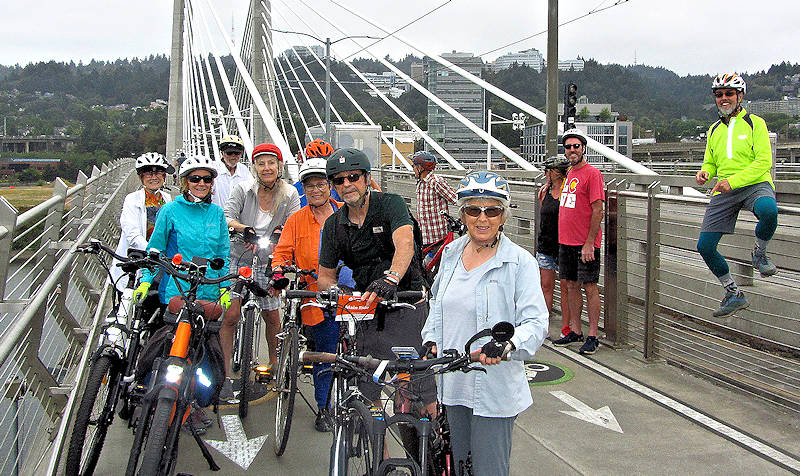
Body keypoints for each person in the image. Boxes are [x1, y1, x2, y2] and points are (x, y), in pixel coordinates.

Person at [421, 171, 549, 476]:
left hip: (494, 387)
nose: (482, 218)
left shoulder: (519, 262)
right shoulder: (451, 253)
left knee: (489, 469)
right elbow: (437, 306)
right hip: (453, 382)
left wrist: (508, 343)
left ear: (503, 215)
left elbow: (536, 322)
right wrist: (430, 340)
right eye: (472, 209)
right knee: (459, 466)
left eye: (491, 210)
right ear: (462, 213)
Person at [316, 148, 435, 415]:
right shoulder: (334, 225)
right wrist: (336, 292)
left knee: (415, 387)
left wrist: (391, 277)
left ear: (367, 178)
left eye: (354, 177)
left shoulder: (390, 204)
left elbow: (405, 243)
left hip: (406, 300)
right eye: (338, 180)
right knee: (367, 387)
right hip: (367, 307)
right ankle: (379, 453)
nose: (347, 184)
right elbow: (324, 275)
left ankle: (433, 439)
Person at [132, 154, 230, 434]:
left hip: (208, 292)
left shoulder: (217, 213)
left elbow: (222, 253)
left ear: (212, 184)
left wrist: (224, 289)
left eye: (206, 179)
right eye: (195, 179)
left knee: (202, 355)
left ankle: (194, 404)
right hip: (176, 289)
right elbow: (155, 250)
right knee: (164, 348)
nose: (201, 183)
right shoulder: (170, 211)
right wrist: (145, 280)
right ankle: (150, 400)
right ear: (184, 182)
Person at [222, 142, 300, 401]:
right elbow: (226, 216)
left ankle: (275, 361)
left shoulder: (289, 194)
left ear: (279, 166)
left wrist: (281, 232)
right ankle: (223, 371)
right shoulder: (243, 189)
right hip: (240, 254)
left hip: (269, 257)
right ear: (254, 167)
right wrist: (243, 228)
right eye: (261, 163)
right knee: (231, 313)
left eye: (271, 163)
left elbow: (294, 220)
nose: (267, 168)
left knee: (271, 312)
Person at [696, 73, 778, 318]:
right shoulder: (713, 130)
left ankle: (759, 253)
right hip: (724, 189)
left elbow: (764, 161)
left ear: (740, 96)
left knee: (769, 211)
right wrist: (704, 172)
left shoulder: (756, 123)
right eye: (719, 95)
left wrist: (733, 182)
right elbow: (710, 161)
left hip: (755, 183)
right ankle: (733, 293)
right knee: (705, 246)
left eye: (729, 94)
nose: (723, 98)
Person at [272, 157, 341, 432]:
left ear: (330, 186)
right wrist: (278, 271)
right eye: (309, 185)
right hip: (312, 296)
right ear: (303, 189)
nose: (316, 190)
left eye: (321, 184)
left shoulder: (345, 214)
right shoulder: (296, 220)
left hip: (347, 295)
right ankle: (323, 407)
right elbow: (281, 253)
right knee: (324, 351)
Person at [552, 128, 605, 355]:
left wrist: (589, 243)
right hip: (566, 241)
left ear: (583, 148)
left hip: (585, 244)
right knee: (571, 286)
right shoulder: (570, 173)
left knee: (590, 287)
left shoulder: (592, 174)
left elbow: (598, 210)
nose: (572, 150)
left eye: (576, 146)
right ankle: (576, 329)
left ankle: (593, 335)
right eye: (568, 147)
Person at [110, 152, 173, 293]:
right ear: (140, 177)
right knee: (126, 301)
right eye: (148, 173)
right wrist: (151, 250)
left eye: (159, 173)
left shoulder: (167, 199)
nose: (154, 177)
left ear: (164, 176)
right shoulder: (132, 199)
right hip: (137, 259)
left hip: (159, 263)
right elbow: (131, 232)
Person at [537, 155, 573, 339]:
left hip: (565, 245)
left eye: (547, 171)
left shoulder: (569, 192)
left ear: (556, 173)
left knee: (565, 287)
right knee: (545, 286)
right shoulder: (544, 192)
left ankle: (566, 327)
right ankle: (543, 326)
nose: (544, 174)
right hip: (545, 244)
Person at [412, 151, 457, 253]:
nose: (413, 169)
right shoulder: (421, 183)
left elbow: (456, 199)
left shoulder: (436, 182)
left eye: (414, 166)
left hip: (437, 237)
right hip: (424, 236)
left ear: (420, 168)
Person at [212, 135, 254, 208]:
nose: (233, 156)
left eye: (237, 153)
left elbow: (252, 192)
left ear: (241, 154)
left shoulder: (244, 170)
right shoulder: (213, 169)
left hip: (238, 217)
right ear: (222, 153)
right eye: (229, 153)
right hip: (217, 216)